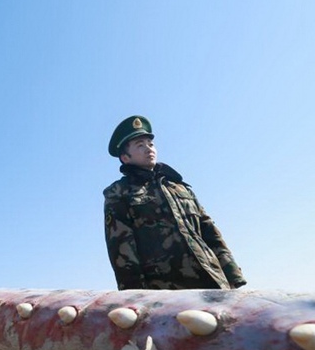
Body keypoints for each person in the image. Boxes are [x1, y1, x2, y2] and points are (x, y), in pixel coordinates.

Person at [103, 115, 246, 290]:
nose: (149, 149)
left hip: (213, 281)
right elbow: (121, 249)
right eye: (140, 145)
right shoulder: (119, 192)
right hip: (166, 290)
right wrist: (136, 295)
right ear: (125, 157)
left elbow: (209, 230)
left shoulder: (180, 188)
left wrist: (232, 274)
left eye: (151, 144)